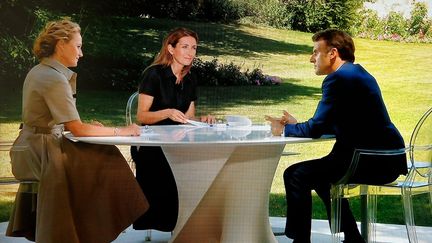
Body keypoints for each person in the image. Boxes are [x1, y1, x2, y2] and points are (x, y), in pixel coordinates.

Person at [6, 19, 149, 243]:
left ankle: (91, 227)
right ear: (61, 44)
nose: (81, 54)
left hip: (36, 144)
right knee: (108, 157)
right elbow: (77, 129)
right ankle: (100, 225)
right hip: (44, 153)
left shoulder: (41, 70)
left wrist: (95, 130)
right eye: (79, 46)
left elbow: (68, 124)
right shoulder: (54, 78)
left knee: (101, 155)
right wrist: (124, 130)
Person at [265, 29, 407, 243]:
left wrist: (283, 130)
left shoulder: (338, 79)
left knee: (296, 175)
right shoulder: (357, 73)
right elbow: (337, 122)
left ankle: (300, 240)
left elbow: (315, 128)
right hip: (387, 157)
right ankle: (352, 237)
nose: (311, 58)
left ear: (332, 53)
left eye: (316, 52)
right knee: (322, 177)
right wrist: (297, 125)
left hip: (371, 160)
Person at [131, 27, 214, 232]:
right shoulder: (153, 75)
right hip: (153, 146)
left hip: (179, 142)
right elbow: (142, 116)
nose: (190, 52)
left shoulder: (191, 79)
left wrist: (203, 119)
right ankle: (172, 224)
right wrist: (167, 113)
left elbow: (188, 117)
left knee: (205, 166)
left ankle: (190, 224)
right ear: (170, 48)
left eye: (194, 47)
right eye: (184, 46)